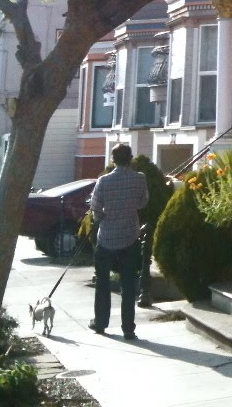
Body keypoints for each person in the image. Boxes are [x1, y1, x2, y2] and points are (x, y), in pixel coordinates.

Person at [89, 143, 148, 340]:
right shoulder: (139, 179)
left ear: (113, 160)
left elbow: (95, 209)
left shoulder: (103, 181)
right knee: (129, 285)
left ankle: (100, 323)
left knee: (102, 283)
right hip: (130, 237)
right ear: (130, 158)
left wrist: (104, 217)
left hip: (106, 238)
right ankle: (128, 328)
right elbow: (142, 203)